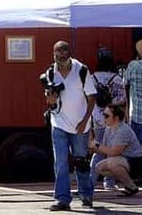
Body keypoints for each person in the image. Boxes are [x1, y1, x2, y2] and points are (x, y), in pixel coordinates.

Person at [42, 40, 96, 212]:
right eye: (58, 55)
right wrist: (50, 101)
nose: (62, 58)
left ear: (70, 54)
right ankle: (62, 198)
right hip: (58, 122)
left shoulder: (81, 70)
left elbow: (91, 97)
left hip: (80, 122)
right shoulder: (51, 73)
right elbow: (51, 102)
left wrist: (85, 120)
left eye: (65, 54)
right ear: (54, 55)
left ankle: (86, 194)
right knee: (61, 162)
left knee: (80, 160)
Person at [89, 104, 142, 196]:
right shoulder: (109, 128)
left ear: (116, 117)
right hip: (123, 160)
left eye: (107, 116)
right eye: (103, 115)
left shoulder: (123, 130)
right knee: (99, 167)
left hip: (137, 160)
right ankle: (129, 185)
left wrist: (96, 145)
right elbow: (105, 149)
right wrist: (93, 147)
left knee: (111, 163)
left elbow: (114, 152)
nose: (104, 118)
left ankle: (132, 186)